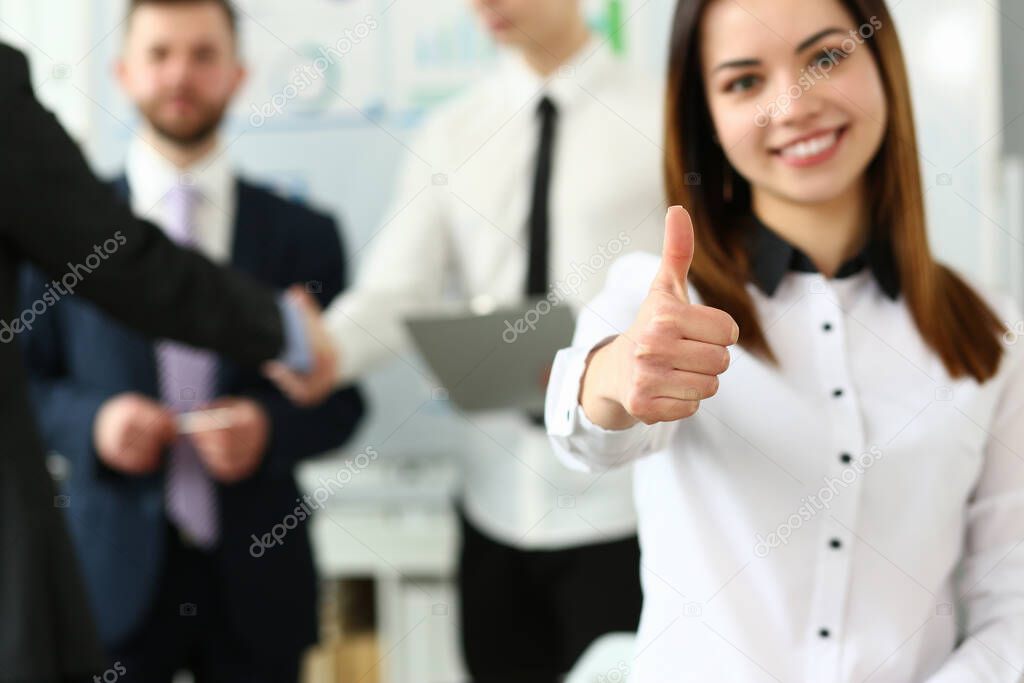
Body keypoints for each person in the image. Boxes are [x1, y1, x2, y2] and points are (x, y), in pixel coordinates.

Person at [544, 0, 1024, 680]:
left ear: (882, 63)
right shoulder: (661, 303)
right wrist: (619, 376)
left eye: (825, 57)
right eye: (744, 81)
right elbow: (586, 427)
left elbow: (1014, 602)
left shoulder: (992, 332)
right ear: (704, 119)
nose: (793, 106)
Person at [266, 0, 665, 679]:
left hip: (627, 509)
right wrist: (324, 352)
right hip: (493, 501)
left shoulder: (663, 117)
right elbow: (398, 291)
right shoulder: (451, 133)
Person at [17, 2, 365, 681]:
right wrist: (95, 423)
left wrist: (268, 427)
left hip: (257, 582)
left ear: (239, 74)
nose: (180, 74)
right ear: (122, 72)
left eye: (204, 55)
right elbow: (24, 382)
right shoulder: (58, 233)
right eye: (159, 54)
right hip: (110, 579)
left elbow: (342, 400)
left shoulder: (304, 234)